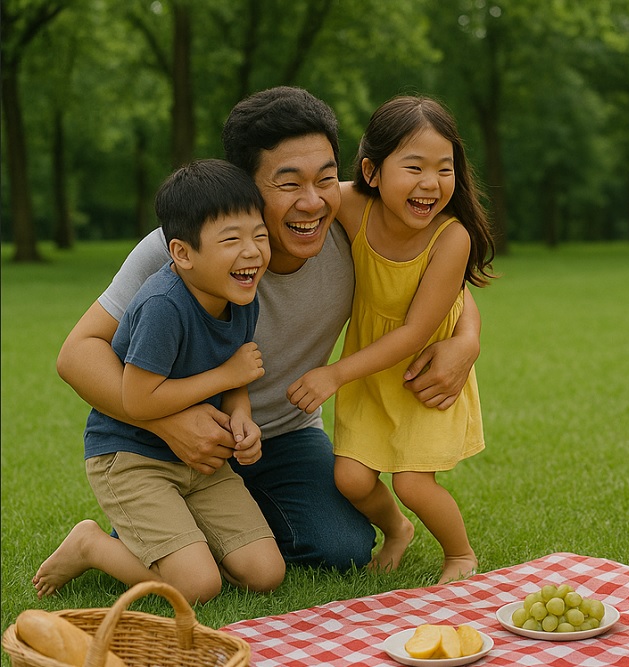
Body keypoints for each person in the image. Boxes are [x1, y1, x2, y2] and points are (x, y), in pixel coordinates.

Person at [49, 87, 482, 574]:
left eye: (324, 179)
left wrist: (466, 340)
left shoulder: (349, 222)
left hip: (283, 433)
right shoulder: (181, 250)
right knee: (202, 554)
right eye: (289, 184)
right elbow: (77, 353)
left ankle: (198, 535)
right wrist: (167, 423)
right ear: (246, 187)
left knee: (341, 549)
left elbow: (433, 268)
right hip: (177, 438)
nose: (312, 202)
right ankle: (168, 534)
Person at [34, 159, 285, 604]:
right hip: (132, 456)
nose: (252, 252)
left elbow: (237, 380)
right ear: (182, 253)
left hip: (202, 464)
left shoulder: (241, 293)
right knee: (197, 587)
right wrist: (226, 375)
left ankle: (181, 544)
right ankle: (92, 544)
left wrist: (242, 417)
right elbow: (137, 399)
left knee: (265, 573)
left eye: (259, 236)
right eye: (231, 240)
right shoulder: (162, 306)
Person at [288, 95, 495, 584]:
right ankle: (397, 530)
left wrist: (333, 373)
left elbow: (416, 332)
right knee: (352, 479)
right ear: (372, 171)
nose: (431, 183)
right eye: (414, 167)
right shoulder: (353, 207)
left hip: (420, 372)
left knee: (413, 483)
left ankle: (460, 554)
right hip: (370, 376)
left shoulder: (451, 237)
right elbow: (303, 199)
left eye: (445, 169)